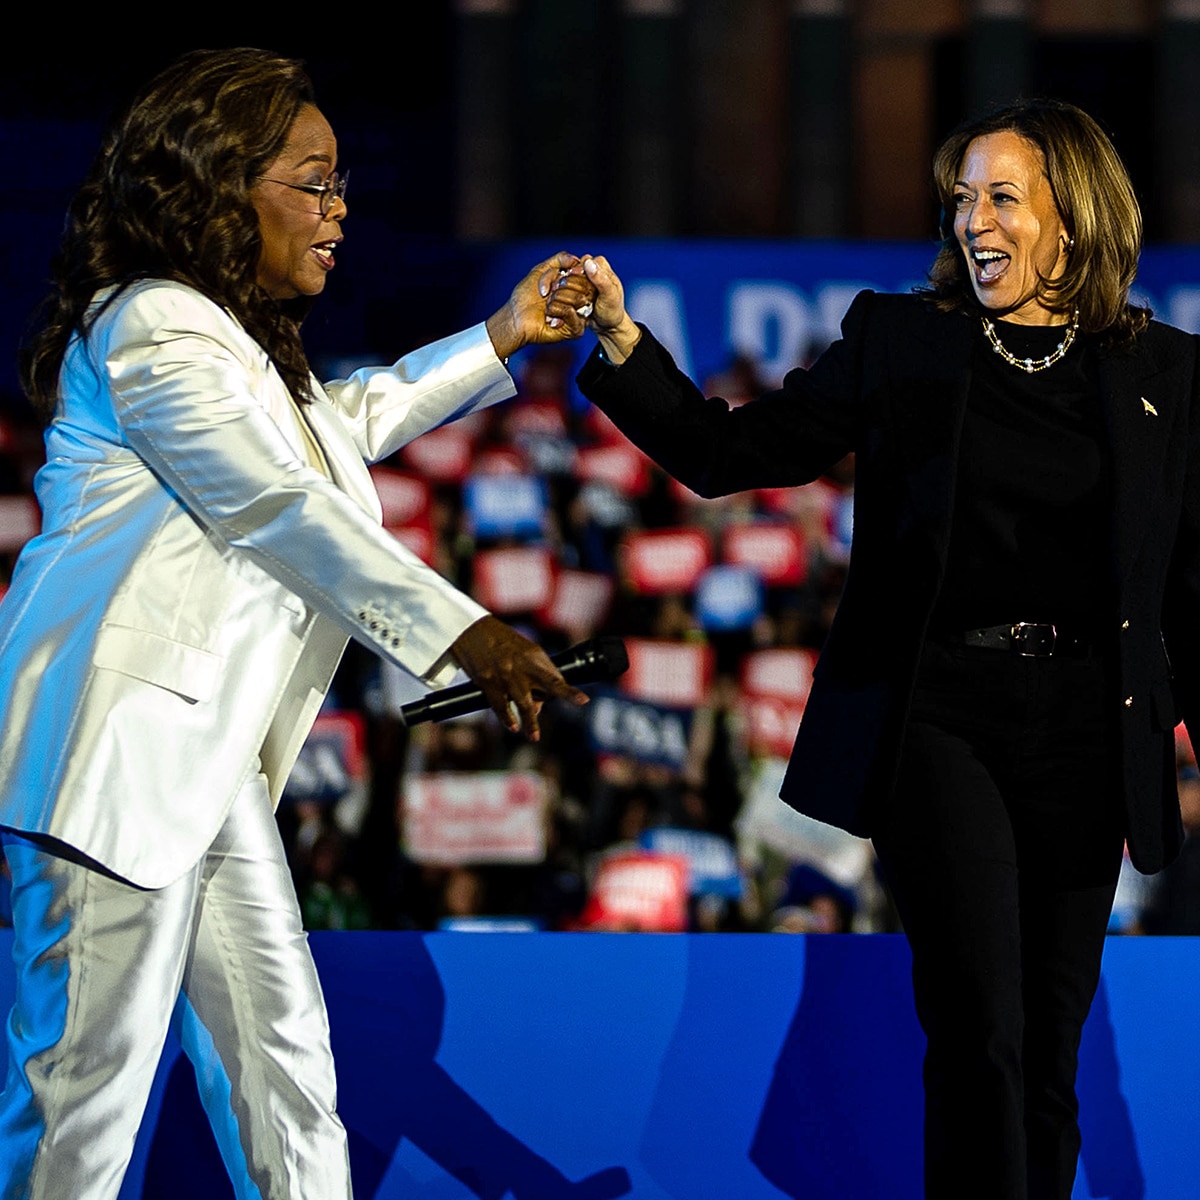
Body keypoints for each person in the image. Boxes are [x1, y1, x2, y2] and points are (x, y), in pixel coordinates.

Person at [0, 47, 600, 1200]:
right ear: (225, 189)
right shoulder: (152, 325)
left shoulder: (229, 340)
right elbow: (273, 500)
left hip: (204, 764)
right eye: (313, 181)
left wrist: (500, 337)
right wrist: (463, 631)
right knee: (85, 1098)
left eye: (340, 183)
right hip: (113, 759)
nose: (340, 209)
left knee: (286, 1070)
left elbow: (337, 428)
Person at [574, 99, 1200, 1200]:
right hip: (938, 717)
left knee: (1050, 1048)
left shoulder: (1169, 376)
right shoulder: (902, 341)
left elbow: (1187, 594)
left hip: (1087, 731)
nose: (973, 221)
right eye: (962, 199)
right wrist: (626, 347)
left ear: (1074, 219)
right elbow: (730, 454)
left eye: (1002, 197)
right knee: (982, 1032)